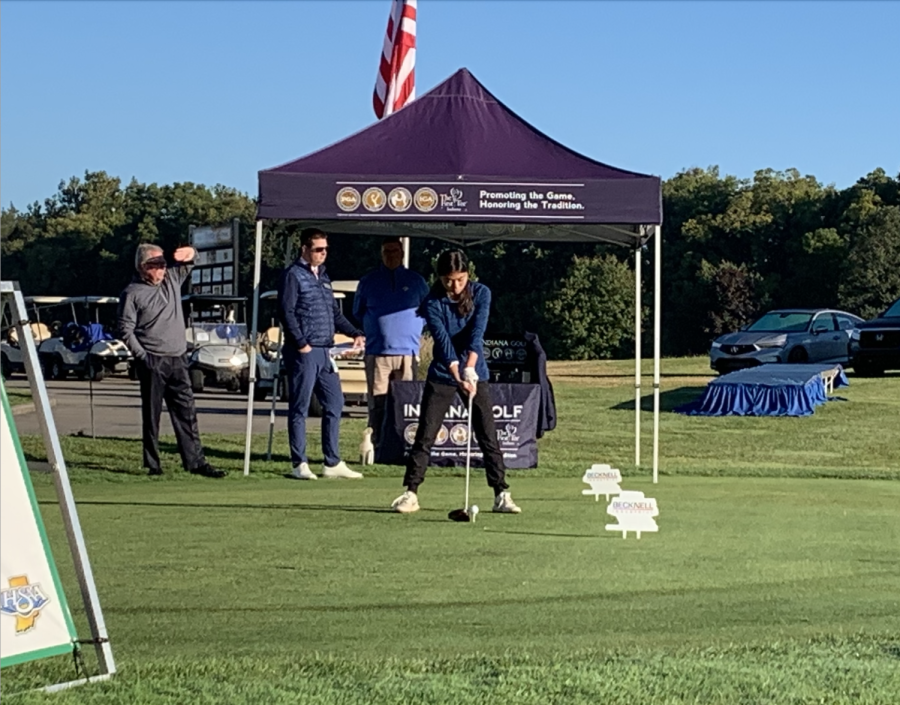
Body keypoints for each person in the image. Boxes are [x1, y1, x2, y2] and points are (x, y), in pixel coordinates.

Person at [391, 249, 521, 515]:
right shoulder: (432, 302)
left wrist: (471, 368)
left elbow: (478, 332)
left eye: (460, 279)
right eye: (449, 280)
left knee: (488, 435)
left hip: (476, 373)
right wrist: (458, 374)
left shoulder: (482, 293)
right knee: (425, 434)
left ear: (467, 275)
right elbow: (443, 342)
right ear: (440, 277)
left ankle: (501, 494)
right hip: (442, 373)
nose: (454, 285)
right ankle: (411, 493)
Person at [118, 243, 226, 478]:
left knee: (187, 411)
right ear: (142, 267)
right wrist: (143, 356)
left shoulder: (172, 279)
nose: (161, 270)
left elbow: (191, 260)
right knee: (152, 415)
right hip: (153, 360)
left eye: (163, 264)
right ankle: (152, 464)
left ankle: (195, 462)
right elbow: (126, 329)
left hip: (178, 358)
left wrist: (190, 253)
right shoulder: (132, 293)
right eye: (155, 265)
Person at [279, 228, 365, 480]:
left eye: (325, 249)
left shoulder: (324, 277)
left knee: (335, 403)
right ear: (304, 249)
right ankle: (299, 463)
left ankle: (332, 461)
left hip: (326, 350)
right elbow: (287, 311)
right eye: (318, 249)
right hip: (303, 351)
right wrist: (301, 343)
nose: (323, 254)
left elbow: (333, 314)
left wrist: (354, 332)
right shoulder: (293, 275)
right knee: (300, 407)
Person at [353, 237, 429, 448]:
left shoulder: (417, 281)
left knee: (407, 402)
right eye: (386, 251)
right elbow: (358, 312)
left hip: (408, 352)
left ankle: (404, 444)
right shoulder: (368, 281)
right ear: (381, 254)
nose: (390, 255)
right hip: (378, 352)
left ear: (402, 253)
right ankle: (377, 445)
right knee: (378, 403)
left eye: (394, 251)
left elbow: (428, 311)